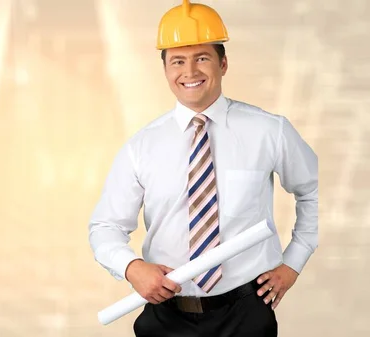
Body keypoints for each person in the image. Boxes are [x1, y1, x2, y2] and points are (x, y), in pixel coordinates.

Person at [87, 0, 318, 336]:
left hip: (245, 314)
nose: (190, 72)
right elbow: (105, 226)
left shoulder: (270, 131)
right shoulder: (141, 147)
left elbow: (311, 190)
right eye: (178, 61)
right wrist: (132, 267)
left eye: (202, 58)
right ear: (165, 69)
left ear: (223, 64)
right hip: (166, 316)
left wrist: (294, 263)